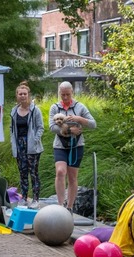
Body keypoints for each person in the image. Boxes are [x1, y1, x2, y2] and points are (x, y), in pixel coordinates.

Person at [49, 81, 96, 214]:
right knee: (60, 172)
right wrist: (70, 131)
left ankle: (69, 207)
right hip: (60, 145)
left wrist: (79, 119)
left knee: (72, 177)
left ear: (72, 93)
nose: (65, 97)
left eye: (67, 94)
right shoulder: (55, 107)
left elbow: (93, 124)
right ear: (59, 93)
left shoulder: (80, 106)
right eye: (62, 94)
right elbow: (52, 127)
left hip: (76, 146)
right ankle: (60, 205)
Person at [10, 81, 44, 209]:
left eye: (25, 94)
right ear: (17, 95)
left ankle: (35, 198)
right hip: (19, 145)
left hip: (32, 146)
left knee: (33, 173)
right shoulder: (14, 111)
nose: (22, 96)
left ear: (28, 95)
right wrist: (12, 142)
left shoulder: (35, 110)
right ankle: (24, 197)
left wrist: (34, 140)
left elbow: (41, 127)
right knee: (22, 172)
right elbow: (11, 128)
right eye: (20, 94)